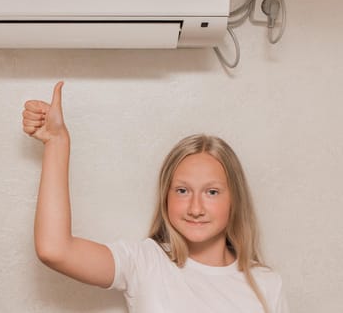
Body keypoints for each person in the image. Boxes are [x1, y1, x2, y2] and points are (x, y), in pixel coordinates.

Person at [22, 82, 289, 313]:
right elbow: (54, 249)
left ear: (235, 200)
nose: (196, 208)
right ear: (166, 197)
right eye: (182, 191)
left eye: (212, 192)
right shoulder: (145, 262)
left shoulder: (266, 283)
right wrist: (57, 143)